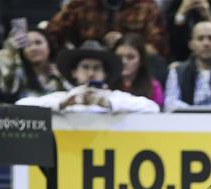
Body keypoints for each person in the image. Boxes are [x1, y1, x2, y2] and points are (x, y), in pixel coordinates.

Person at [15, 40, 160, 113]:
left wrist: (107, 103)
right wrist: (61, 105)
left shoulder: (115, 97)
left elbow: (152, 108)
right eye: (85, 67)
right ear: (74, 72)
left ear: (105, 74)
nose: (91, 73)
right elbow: (21, 105)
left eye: (96, 68)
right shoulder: (63, 98)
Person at [47, 0, 169, 58]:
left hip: (132, 67)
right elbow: (51, 35)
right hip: (88, 63)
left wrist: (124, 42)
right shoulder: (80, 4)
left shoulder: (146, 5)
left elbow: (158, 48)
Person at [0, 26, 68, 101]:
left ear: (49, 45)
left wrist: (62, 80)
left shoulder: (62, 71)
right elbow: (7, 89)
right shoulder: (18, 72)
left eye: (38, 42)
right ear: (23, 51)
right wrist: (11, 55)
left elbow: (72, 97)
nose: (33, 48)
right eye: (28, 45)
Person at [112, 33, 164, 107]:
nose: (124, 62)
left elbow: (157, 110)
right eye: (119, 57)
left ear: (141, 61)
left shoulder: (153, 87)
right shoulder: (106, 85)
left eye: (130, 57)